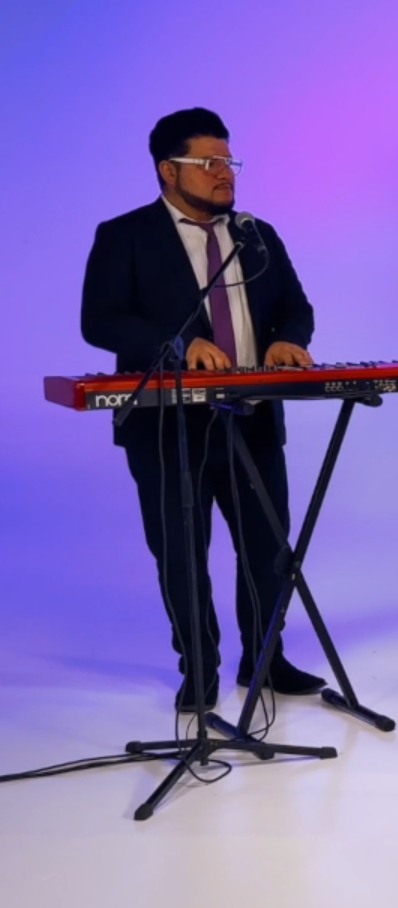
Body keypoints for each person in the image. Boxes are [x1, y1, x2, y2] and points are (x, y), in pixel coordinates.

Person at [80, 107, 327, 713]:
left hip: (253, 419)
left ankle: (264, 659)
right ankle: (200, 667)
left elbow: (296, 308)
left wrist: (285, 340)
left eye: (229, 161)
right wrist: (178, 343)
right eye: (209, 162)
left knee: (267, 550)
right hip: (167, 427)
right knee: (182, 553)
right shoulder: (124, 235)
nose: (226, 173)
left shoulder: (255, 234)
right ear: (169, 171)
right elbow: (100, 321)